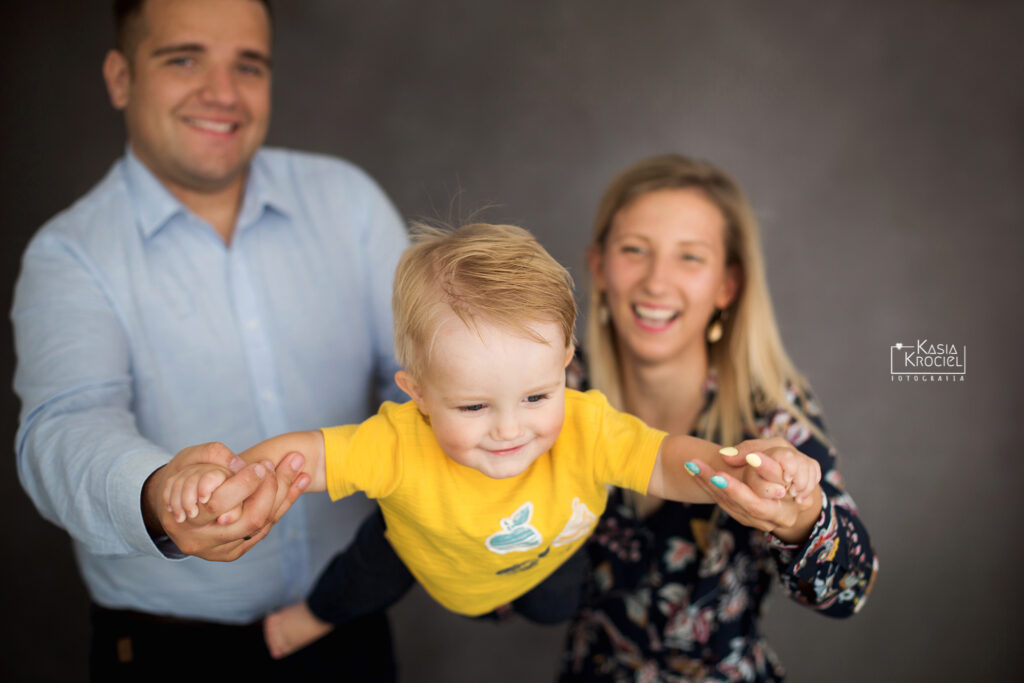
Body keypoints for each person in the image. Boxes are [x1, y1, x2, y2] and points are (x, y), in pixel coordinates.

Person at [163, 222, 823, 660]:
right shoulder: (397, 442)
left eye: (536, 397)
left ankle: (520, 586)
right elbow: (306, 456)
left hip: (546, 556)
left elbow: (662, 459)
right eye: (474, 406)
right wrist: (237, 476)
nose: (510, 428)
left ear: (565, 363)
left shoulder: (586, 425)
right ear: (418, 394)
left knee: (557, 604)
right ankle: (310, 617)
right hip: (423, 550)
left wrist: (732, 468)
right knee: (359, 581)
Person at [11, 0, 408, 680]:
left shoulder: (349, 203)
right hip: (169, 655)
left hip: (348, 630)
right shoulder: (69, 254)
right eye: (184, 59)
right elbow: (65, 427)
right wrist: (158, 493)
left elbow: (424, 374)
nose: (223, 93)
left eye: (248, 66)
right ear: (120, 78)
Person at [559, 155, 879, 682]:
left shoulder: (770, 408)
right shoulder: (555, 393)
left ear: (726, 286)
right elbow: (493, 585)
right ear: (598, 266)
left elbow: (851, 590)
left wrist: (800, 516)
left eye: (690, 257)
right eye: (635, 250)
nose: (656, 282)